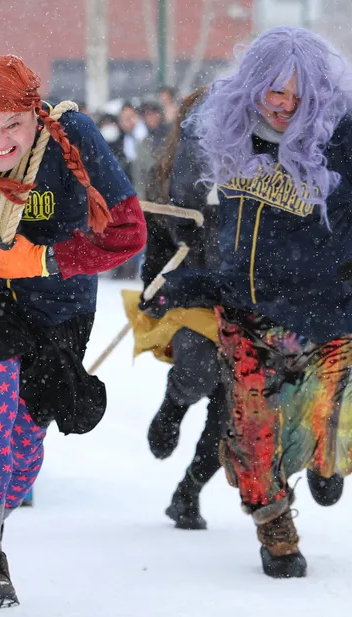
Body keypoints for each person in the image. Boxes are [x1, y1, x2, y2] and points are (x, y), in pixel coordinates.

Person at [152, 27, 352, 578]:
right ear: (253, 86)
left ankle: (328, 460)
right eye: (275, 93)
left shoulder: (347, 137)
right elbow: (186, 213)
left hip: (330, 315)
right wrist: (177, 277)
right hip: (247, 312)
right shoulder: (226, 132)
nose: (284, 107)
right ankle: (274, 527)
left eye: (299, 96)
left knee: (333, 441)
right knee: (251, 429)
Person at [0, 54, 146, 611]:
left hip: (57, 307)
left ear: (36, 114)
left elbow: (129, 232)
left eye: (13, 124)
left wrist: (44, 260)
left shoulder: (72, 136)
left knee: (25, 444)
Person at [131, 88, 223, 530]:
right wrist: (153, 285)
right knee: (199, 368)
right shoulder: (167, 174)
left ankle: (188, 492)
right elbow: (157, 239)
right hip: (192, 291)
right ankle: (173, 406)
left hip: (247, 296)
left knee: (232, 414)